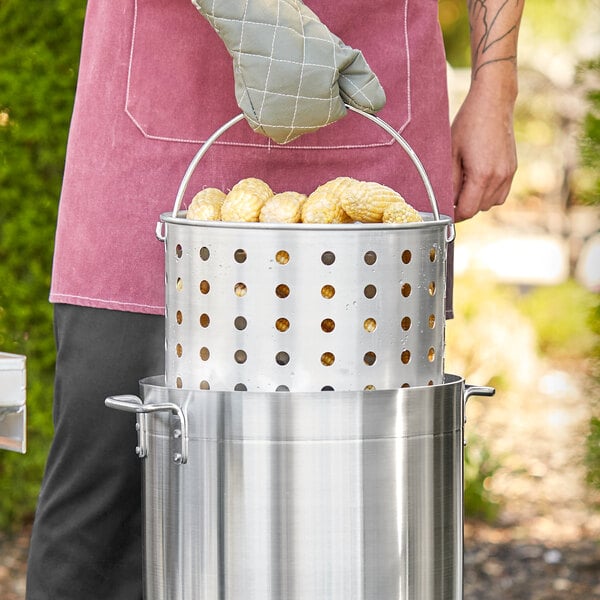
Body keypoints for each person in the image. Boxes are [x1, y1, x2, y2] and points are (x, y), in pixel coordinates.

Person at [26, 1, 524, 598]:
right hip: (156, 93)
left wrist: (496, 88)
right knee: (109, 494)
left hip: (372, 97)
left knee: (358, 508)